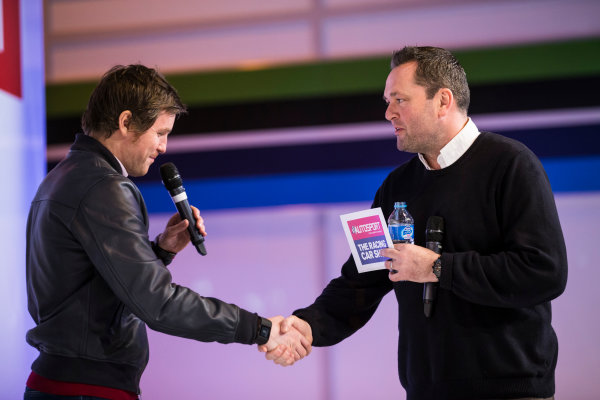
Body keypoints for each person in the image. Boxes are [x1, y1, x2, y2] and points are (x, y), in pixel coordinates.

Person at [262, 46, 568, 400]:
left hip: (510, 391)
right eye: (387, 101)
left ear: (442, 101)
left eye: (400, 99)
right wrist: (306, 325)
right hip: (424, 391)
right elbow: (362, 280)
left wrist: (437, 267)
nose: (389, 112)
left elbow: (543, 271)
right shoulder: (395, 186)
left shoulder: (512, 165)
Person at [25, 64, 311, 400]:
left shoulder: (63, 176)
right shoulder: (105, 186)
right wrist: (259, 328)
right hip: (86, 389)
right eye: (160, 133)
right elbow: (156, 303)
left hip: (63, 383)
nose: (163, 147)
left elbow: (99, 289)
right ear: (126, 122)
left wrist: (161, 249)